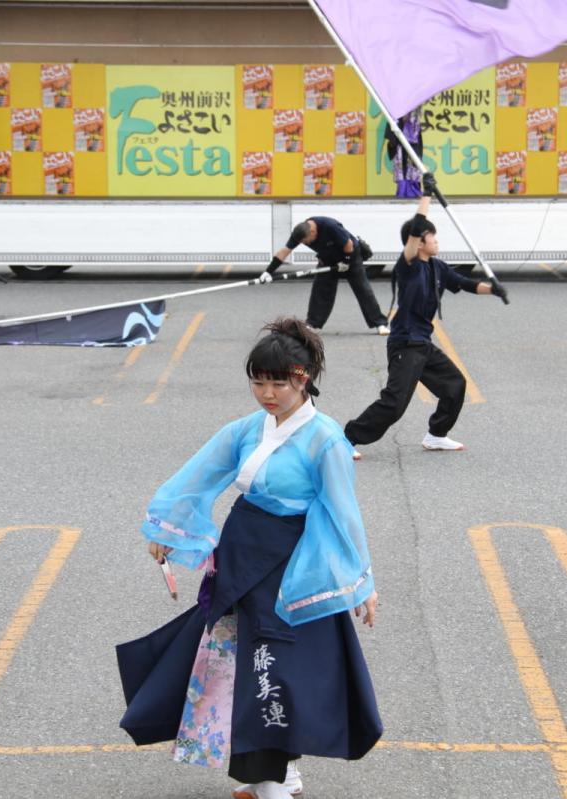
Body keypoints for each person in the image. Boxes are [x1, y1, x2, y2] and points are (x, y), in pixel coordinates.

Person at [116, 318, 381, 799]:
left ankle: (274, 777)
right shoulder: (247, 430)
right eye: (259, 381)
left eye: (279, 381)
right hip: (241, 555)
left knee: (277, 667)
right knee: (246, 663)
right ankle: (275, 778)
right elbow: (200, 474)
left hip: (293, 566)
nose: (267, 393)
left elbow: (345, 515)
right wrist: (167, 528)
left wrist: (361, 582)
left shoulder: (326, 441)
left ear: (304, 378)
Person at [344, 174, 508, 454]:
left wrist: (492, 289)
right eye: (432, 237)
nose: (436, 241)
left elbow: (464, 284)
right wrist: (427, 195)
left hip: (423, 344)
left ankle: (436, 434)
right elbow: (417, 226)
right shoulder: (407, 265)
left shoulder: (437, 266)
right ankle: (345, 439)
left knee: (455, 384)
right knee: (394, 403)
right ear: (419, 242)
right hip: (405, 344)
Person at [259, 217, 390, 335]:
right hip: (327, 259)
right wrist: (268, 272)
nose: (306, 244)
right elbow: (284, 251)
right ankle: (313, 324)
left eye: (307, 241)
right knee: (320, 291)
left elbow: (348, 244)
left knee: (363, 290)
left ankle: (380, 324)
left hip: (350, 256)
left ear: (313, 233)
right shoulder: (299, 232)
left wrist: (346, 261)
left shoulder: (330, 226)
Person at [385, 109, 424, 198]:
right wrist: (392, 142)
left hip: (413, 146)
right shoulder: (395, 113)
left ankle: (414, 192)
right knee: (402, 171)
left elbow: (417, 134)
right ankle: (402, 193)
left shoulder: (415, 114)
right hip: (399, 146)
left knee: (413, 169)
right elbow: (391, 132)